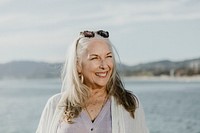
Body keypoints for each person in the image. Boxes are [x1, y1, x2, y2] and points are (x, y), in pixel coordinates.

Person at [36, 30, 149, 133]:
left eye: (108, 57)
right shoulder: (55, 105)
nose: (104, 65)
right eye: (95, 58)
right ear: (78, 66)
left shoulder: (129, 104)